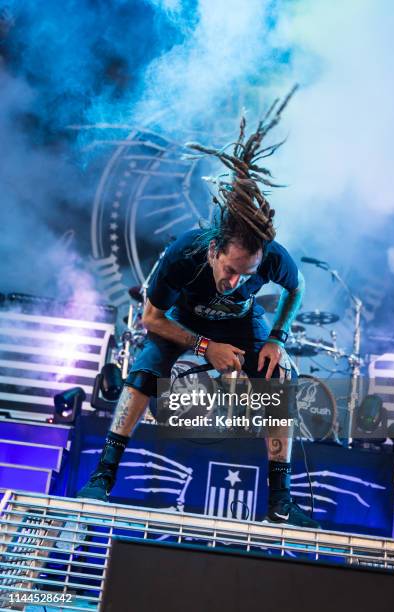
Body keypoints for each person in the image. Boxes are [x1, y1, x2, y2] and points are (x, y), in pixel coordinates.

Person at [78, 87, 320, 529]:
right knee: (142, 375)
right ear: (213, 250)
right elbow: (152, 318)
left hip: (246, 323)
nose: (235, 281)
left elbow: (297, 287)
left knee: (280, 374)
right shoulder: (184, 253)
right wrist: (206, 345)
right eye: (229, 270)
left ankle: (280, 500)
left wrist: (276, 338)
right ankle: (102, 476)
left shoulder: (272, 257)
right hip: (185, 321)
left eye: (246, 275)